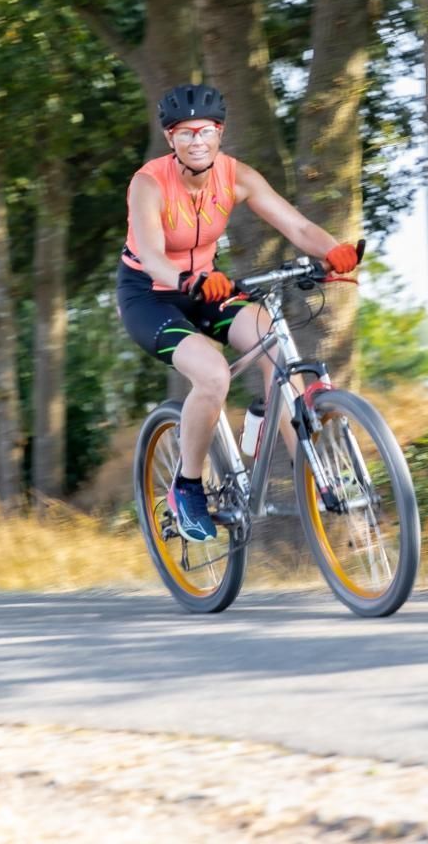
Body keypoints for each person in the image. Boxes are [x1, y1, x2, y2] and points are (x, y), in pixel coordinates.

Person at [117, 83, 359, 543]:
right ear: (170, 139)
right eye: (184, 132)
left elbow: (297, 225)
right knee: (212, 376)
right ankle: (186, 487)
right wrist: (187, 280)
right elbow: (150, 254)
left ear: (220, 132)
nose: (196, 140)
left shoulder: (236, 175)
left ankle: (317, 478)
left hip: (208, 285)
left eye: (205, 130)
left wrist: (334, 250)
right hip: (150, 294)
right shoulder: (148, 183)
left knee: (272, 342)